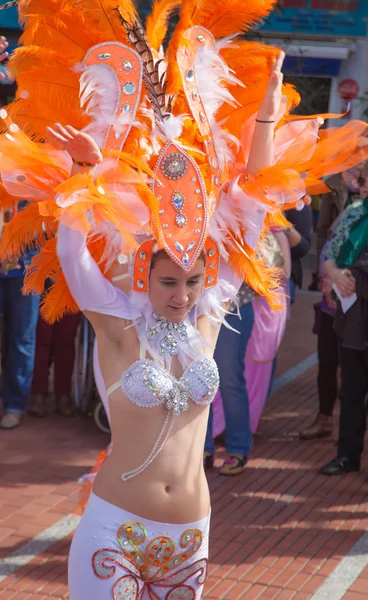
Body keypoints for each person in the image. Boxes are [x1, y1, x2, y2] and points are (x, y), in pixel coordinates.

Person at [0, 2, 367, 598]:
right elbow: (73, 257)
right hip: (118, 527)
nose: (182, 294)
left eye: (192, 282)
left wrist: (267, 122)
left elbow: (250, 205)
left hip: (191, 534)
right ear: (144, 277)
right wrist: (85, 172)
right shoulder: (120, 325)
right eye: (168, 283)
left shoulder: (208, 317)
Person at [299, 166, 364, 440]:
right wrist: (330, 276)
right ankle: (326, 419)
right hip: (336, 296)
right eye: (362, 180)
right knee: (329, 358)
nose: (362, 185)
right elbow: (327, 237)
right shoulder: (347, 201)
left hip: (359, 299)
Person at [320, 166, 368, 475]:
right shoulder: (353, 213)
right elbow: (329, 251)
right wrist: (337, 273)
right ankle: (347, 456)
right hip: (353, 316)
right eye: (363, 181)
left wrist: (358, 273)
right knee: (351, 388)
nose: (363, 188)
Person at [204, 282, 255, 475]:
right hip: (198, 307)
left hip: (234, 308)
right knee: (199, 381)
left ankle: (238, 449)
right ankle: (203, 449)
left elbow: (267, 264)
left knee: (229, 381)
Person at [0, 205, 40, 430]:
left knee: (22, 339)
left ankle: (14, 405)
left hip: (25, 271)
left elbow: (49, 224)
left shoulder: (35, 175)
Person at [28, 298, 81, 418]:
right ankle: (37, 393)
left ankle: (63, 395)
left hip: (71, 289)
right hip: (42, 286)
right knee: (41, 341)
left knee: (65, 340)